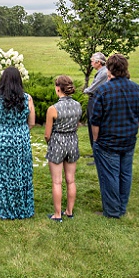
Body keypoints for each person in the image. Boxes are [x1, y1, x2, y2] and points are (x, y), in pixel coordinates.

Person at [90, 54, 139, 219]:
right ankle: (121, 207)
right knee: (125, 174)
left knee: (110, 176)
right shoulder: (136, 88)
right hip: (128, 140)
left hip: (107, 142)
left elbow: (95, 121)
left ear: (109, 70)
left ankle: (113, 211)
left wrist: (96, 140)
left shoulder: (103, 91)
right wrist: (131, 131)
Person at [0, 67, 36, 219]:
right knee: (20, 174)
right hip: (20, 140)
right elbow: (32, 122)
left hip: (0, 141)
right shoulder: (27, 98)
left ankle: (3, 208)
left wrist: (0, 129)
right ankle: (22, 207)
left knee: (1, 175)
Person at [44, 75, 82, 221]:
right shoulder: (78, 106)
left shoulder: (53, 109)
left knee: (57, 181)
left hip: (58, 141)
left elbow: (47, 134)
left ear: (58, 88)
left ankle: (57, 214)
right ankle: (69, 211)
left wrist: (50, 142)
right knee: (71, 180)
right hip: (73, 140)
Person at [83, 52, 108, 163]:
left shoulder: (103, 73)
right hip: (94, 100)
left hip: (95, 100)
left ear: (98, 62)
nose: (91, 62)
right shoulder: (100, 72)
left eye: (93, 61)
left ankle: (98, 154)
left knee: (94, 125)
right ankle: (95, 152)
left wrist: (84, 91)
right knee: (91, 125)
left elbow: (93, 88)